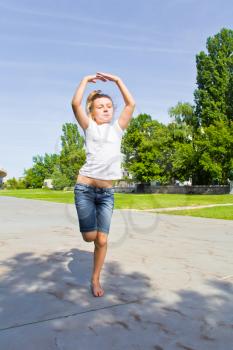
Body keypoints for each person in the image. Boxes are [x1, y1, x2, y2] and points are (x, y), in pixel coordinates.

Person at [71, 72, 135, 297]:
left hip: (107, 192)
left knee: (103, 239)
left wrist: (118, 80)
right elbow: (75, 103)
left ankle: (95, 279)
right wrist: (85, 81)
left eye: (109, 106)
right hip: (85, 189)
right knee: (90, 237)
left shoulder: (118, 129)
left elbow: (131, 103)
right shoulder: (89, 127)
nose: (106, 109)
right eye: (100, 106)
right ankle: (90, 234)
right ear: (92, 111)